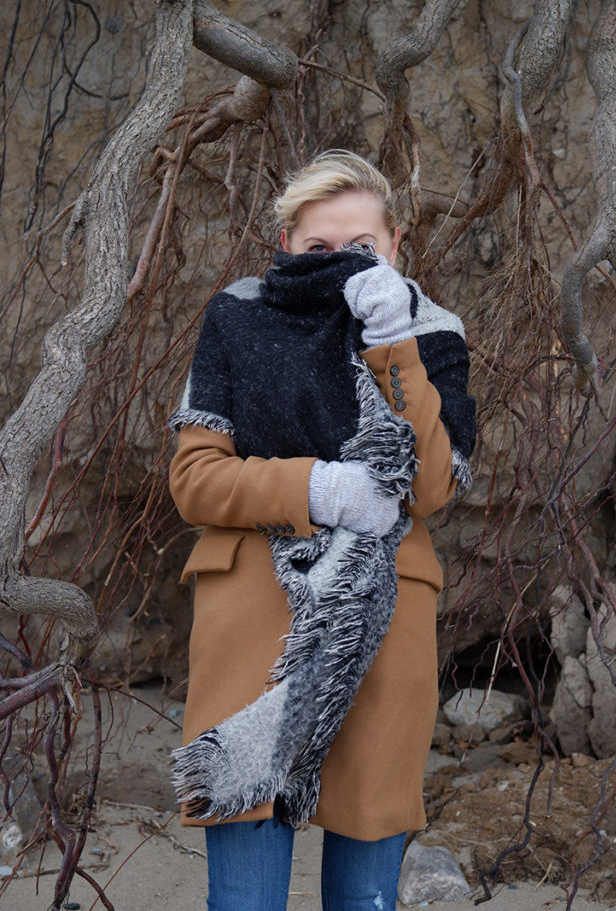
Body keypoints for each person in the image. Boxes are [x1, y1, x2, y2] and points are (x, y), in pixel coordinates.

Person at [168, 151, 476, 911]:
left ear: (395, 244)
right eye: (318, 248)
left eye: (362, 248)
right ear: (284, 243)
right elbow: (193, 479)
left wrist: (391, 343)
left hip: (382, 618)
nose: (341, 263)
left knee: (364, 882)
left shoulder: (432, 329)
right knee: (244, 876)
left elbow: (430, 485)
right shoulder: (236, 313)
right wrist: (319, 486)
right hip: (250, 609)